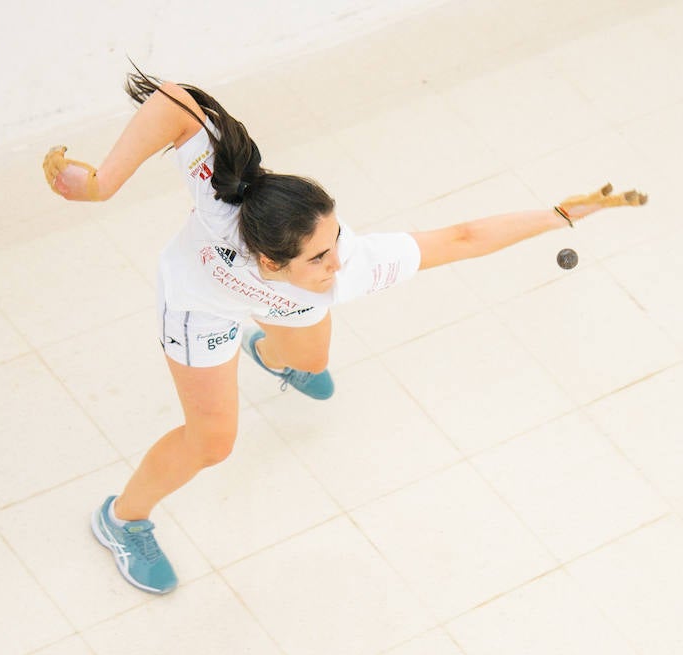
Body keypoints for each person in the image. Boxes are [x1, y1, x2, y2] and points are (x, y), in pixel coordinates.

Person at [43, 68, 646, 595]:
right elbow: (170, 101)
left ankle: (274, 355)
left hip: (286, 306)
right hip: (200, 307)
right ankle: (122, 520)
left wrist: (559, 215)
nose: (340, 266)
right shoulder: (219, 211)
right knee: (213, 443)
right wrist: (99, 186)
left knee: (310, 360)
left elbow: (459, 239)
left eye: (335, 241)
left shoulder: (343, 262)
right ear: (271, 261)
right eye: (320, 259)